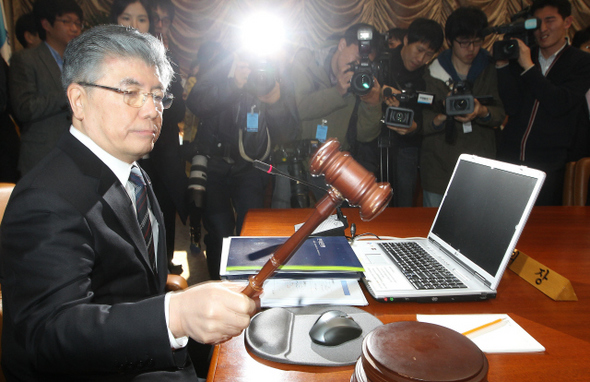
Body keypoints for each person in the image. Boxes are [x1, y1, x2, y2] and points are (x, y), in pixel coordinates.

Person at [0, 25, 257, 381]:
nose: (152, 110)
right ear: (78, 100)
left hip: (144, 356)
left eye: (157, 96)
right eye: (131, 93)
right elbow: (49, 335)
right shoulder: (46, 199)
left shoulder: (130, 171)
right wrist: (175, 315)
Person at [185, 43, 298, 280]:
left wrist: (275, 101)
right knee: (220, 232)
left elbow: (289, 131)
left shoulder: (276, 72)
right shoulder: (225, 63)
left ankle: (247, 287)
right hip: (214, 164)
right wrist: (233, 83)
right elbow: (196, 103)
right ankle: (220, 287)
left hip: (251, 167)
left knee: (249, 231)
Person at [112, 0, 189, 274]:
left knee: (162, 205)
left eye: (142, 19)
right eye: (127, 17)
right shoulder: (105, 62)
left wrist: (157, 101)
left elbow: (178, 107)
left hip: (162, 147)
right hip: (121, 153)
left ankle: (163, 263)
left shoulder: (167, 60)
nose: (135, 25)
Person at [496, 0, 590, 205]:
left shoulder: (582, 62)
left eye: (550, 21)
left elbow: (559, 103)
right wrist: (503, 66)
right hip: (509, 159)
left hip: (550, 166)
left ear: (568, 22)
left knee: (544, 230)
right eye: (537, 23)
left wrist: (529, 67)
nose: (543, 29)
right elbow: (511, 106)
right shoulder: (522, 55)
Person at [421, 7, 505, 207]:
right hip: (438, 170)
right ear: (449, 41)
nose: (471, 49)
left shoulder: (490, 69)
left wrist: (481, 111)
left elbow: (500, 114)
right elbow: (420, 123)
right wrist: (442, 114)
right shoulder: (432, 73)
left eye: (477, 42)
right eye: (464, 42)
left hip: (480, 168)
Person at [290, 23, 383, 198]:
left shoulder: (362, 79)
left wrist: (372, 104)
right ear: (342, 45)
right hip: (299, 159)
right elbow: (299, 108)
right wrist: (337, 92)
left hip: (337, 164)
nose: (358, 66)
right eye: (356, 58)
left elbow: (365, 135)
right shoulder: (307, 62)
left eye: (364, 63)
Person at [9, 0, 83, 176]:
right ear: (46, 24)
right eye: (67, 21)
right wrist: (70, 93)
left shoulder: (81, 62)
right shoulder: (26, 59)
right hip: (42, 156)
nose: (74, 28)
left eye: (78, 24)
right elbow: (24, 108)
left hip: (78, 156)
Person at [380, 18, 444, 207]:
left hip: (407, 148)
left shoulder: (427, 77)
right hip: (375, 144)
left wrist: (414, 127)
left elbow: (425, 116)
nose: (421, 59)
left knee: (404, 204)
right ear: (406, 40)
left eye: (429, 55)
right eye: (419, 50)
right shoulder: (382, 62)